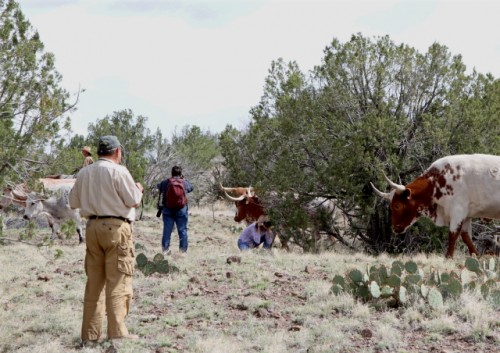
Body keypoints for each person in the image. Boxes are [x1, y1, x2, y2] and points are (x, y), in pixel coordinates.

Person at [68, 135, 144, 345]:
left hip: (92, 228)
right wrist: (139, 189)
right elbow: (134, 200)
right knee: (118, 281)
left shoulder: (84, 172)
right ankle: (117, 334)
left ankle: (90, 336)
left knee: (94, 283)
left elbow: (73, 201)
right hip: (116, 229)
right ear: (117, 151)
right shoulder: (119, 171)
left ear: (99, 151)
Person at [157, 166, 193, 254]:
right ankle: (183, 251)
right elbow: (191, 188)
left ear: (171, 173)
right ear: (181, 174)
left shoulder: (166, 182)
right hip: (181, 210)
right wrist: (183, 179)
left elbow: (158, 187)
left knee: (167, 230)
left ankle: (165, 249)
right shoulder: (184, 182)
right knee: (182, 230)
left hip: (168, 210)